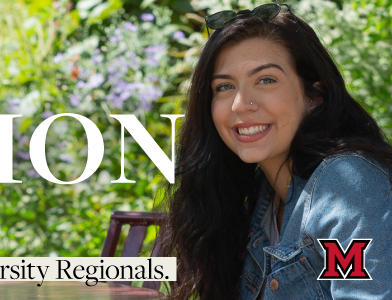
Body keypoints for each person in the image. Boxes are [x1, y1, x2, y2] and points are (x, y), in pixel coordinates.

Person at [160, 3, 392, 299]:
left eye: (266, 80)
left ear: (314, 95)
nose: (240, 104)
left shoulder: (346, 187)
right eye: (224, 87)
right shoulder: (260, 197)